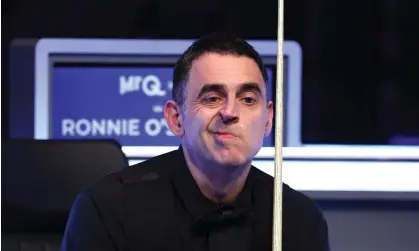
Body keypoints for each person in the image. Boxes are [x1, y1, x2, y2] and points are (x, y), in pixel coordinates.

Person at [61, 33, 330, 251]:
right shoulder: (108, 210)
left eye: (248, 99)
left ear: (268, 119)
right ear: (176, 118)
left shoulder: (299, 219)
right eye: (212, 98)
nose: (230, 112)